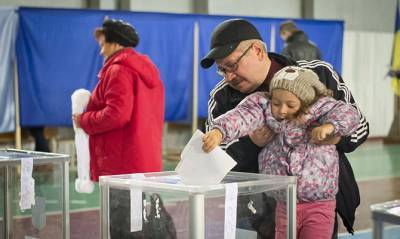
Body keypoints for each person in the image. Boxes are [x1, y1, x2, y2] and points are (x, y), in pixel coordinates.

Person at [200, 18, 369, 238]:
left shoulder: (319, 75)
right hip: (260, 215)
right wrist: (251, 144)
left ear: (258, 51)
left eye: (232, 65)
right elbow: (214, 163)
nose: (229, 76)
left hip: (319, 203)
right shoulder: (222, 97)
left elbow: (360, 127)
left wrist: (333, 134)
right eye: (222, 70)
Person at [72, 18, 165, 238]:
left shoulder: (118, 70)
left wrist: (84, 119)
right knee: (144, 224)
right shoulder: (146, 71)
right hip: (143, 161)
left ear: (115, 43)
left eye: (103, 44)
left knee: (123, 228)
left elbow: (117, 114)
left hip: (121, 165)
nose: (101, 51)